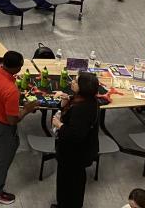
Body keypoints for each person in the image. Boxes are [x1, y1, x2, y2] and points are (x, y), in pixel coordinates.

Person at [0, 50, 38, 205]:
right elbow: (13, 120)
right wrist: (27, 109)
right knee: (3, 159)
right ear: (16, 68)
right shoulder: (11, 90)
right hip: (3, 126)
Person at [51, 72, 100, 208]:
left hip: (75, 155)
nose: (72, 81)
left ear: (83, 87)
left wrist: (59, 125)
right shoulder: (84, 99)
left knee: (71, 186)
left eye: (76, 81)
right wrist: (66, 102)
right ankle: (62, 204)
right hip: (71, 153)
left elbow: (76, 134)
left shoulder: (83, 108)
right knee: (63, 182)